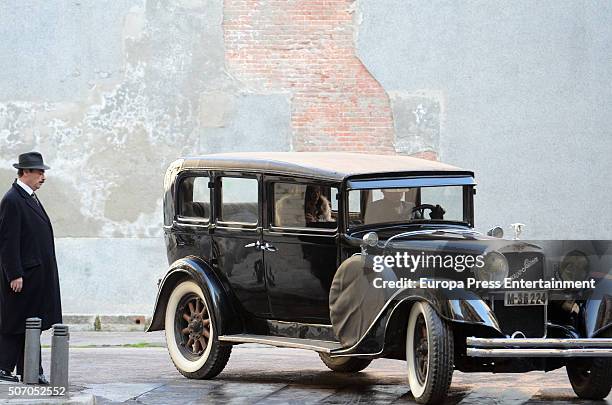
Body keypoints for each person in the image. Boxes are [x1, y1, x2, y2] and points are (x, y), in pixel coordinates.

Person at [0, 152, 62, 384]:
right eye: (39, 172)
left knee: (29, 323)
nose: (43, 176)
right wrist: (14, 273)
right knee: (17, 322)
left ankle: (29, 370)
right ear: (25, 172)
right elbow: (8, 241)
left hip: (35, 275)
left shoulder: (29, 197)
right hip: (23, 276)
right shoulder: (12, 200)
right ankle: (7, 368)